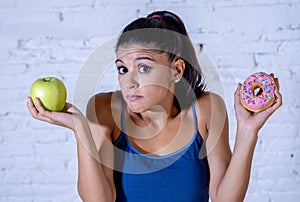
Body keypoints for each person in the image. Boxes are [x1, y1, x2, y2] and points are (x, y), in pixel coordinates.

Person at [27, 10, 282, 202]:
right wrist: (81, 131)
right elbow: (99, 200)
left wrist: (248, 132)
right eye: (122, 69)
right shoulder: (105, 109)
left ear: (176, 70)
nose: (129, 82)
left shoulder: (206, 109)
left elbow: (225, 198)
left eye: (144, 67)